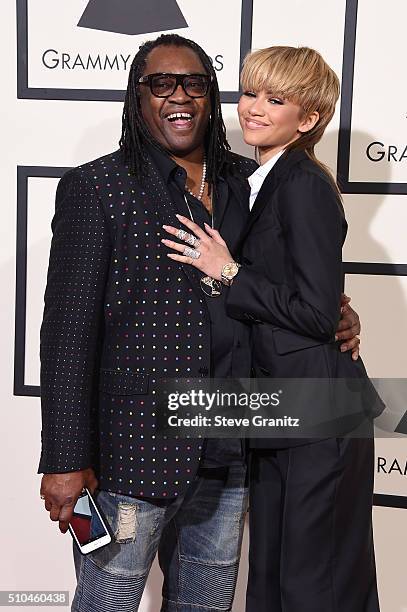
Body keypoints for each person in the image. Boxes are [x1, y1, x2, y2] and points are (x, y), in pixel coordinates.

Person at [39, 35, 361, 611]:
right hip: (128, 459)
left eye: (194, 83)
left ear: (211, 96)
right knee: (106, 603)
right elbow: (67, 335)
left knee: (206, 606)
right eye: (161, 84)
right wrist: (64, 459)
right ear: (138, 98)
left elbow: (289, 283)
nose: (179, 96)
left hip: (230, 451)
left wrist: (337, 313)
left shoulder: (252, 178)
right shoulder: (97, 188)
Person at [162, 46, 380, 611]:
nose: (254, 108)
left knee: (316, 586)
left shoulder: (304, 184)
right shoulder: (261, 180)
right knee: (274, 582)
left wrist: (227, 271)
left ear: (307, 120)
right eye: (251, 93)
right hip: (279, 411)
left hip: (321, 417)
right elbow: (313, 297)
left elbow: (314, 312)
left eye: (275, 99)